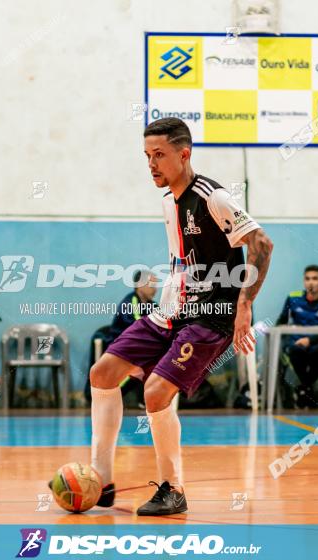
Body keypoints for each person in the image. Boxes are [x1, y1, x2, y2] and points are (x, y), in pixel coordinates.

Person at [86, 117, 274, 515]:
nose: (151, 164)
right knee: (102, 373)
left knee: (155, 393)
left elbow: (262, 243)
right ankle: (99, 481)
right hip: (173, 312)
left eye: (159, 155)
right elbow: (182, 263)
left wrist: (244, 305)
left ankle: (173, 489)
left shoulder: (212, 196)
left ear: (183, 154)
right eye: (147, 156)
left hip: (211, 318)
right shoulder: (169, 201)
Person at [83, 270, 158, 405]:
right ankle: (106, 395)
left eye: (156, 284)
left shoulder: (152, 306)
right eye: (152, 284)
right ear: (139, 285)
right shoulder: (130, 302)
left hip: (138, 350)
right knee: (140, 368)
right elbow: (140, 327)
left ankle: (148, 399)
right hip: (120, 348)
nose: (155, 288)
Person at [276, 264, 318, 408]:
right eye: (307, 279)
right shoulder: (293, 298)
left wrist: (310, 340)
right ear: (304, 281)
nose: (311, 282)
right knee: (296, 351)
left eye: (315, 279)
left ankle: (304, 388)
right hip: (296, 344)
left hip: (317, 345)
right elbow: (281, 322)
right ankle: (308, 390)